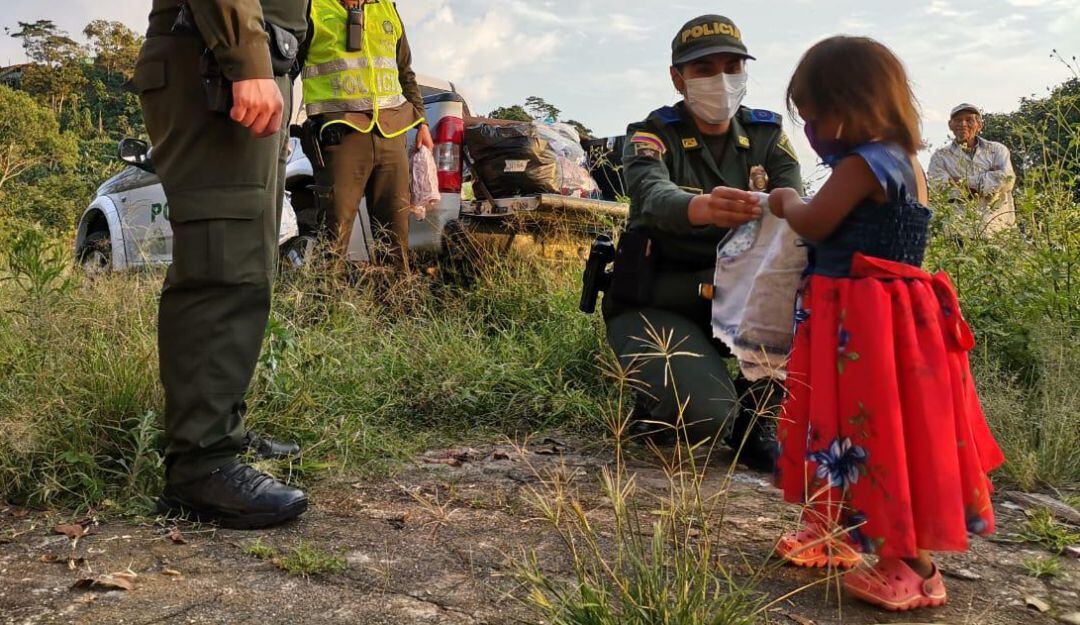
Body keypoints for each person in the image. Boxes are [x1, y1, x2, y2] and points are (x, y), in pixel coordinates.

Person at [762, 36, 1004, 611]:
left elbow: (816, 222)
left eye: (813, 117)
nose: (811, 131)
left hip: (864, 322)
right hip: (890, 320)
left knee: (873, 436)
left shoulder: (862, 164)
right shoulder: (907, 161)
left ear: (842, 111)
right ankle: (833, 533)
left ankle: (914, 571)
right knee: (855, 426)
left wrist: (783, 199)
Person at [134, 0, 310, 528]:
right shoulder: (238, 58)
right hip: (216, 60)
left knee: (249, 260)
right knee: (223, 261)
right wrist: (247, 58)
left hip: (243, 60)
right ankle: (200, 464)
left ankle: (217, 427)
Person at [605, 15, 803, 470]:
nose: (722, 80)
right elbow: (651, 195)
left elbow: (795, 207)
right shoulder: (652, 133)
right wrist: (702, 208)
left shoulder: (766, 136)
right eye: (704, 69)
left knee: (819, 286)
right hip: (659, 301)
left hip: (742, 301)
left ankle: (759, 418)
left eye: (732, 66)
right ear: (678, 79)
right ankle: (673, 404)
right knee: (708, 418)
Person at [300, 0, 433, 272]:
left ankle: (394, 308)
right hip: (340, 134)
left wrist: (422, 123)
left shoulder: (388, 8)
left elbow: (405, 71)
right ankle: (326, 309)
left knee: (394, 236)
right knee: (332, 236)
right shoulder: (312, 8)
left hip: (391, 131)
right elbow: (286, 65)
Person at [928, 103, 1017, 233]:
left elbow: (1006, 181)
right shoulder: (940, 157)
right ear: (950, 125)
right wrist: (986, 182)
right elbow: (938, 188)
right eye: (958, 120)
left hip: (996, 229)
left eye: (969, 120)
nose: (963, 124)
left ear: (979, 125)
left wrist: (959, 182)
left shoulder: (997, 150)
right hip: (957, 230)